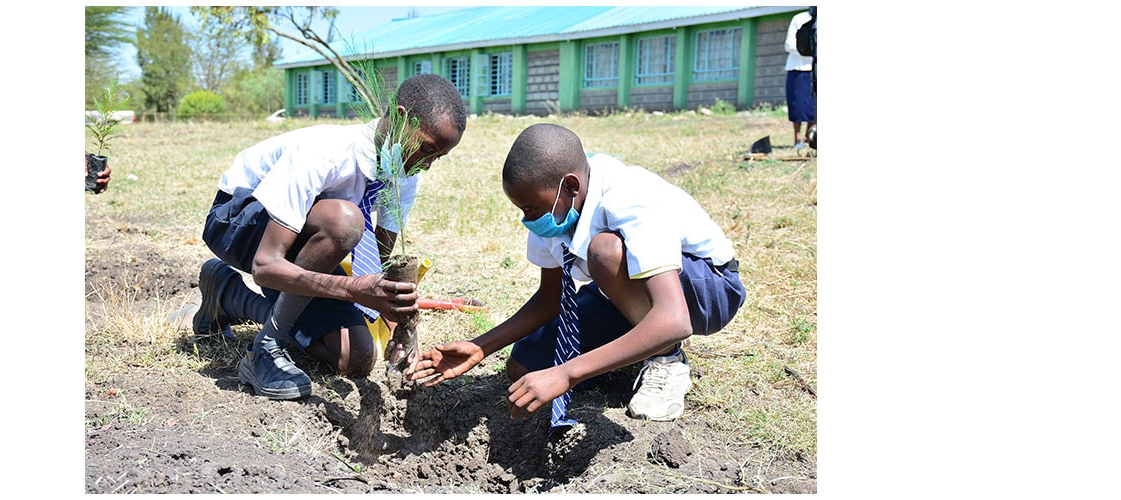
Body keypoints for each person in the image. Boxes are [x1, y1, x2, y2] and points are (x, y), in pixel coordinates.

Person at [405, 124, 745, 424]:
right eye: (522, 209)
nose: (529, 219)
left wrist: (566, 374)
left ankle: (665, 357)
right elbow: (550, 298)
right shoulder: (551, 202)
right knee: (524, 368)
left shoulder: (629, 198)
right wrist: (480, 348)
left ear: (570, 186)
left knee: (605, 252)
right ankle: (632, 348)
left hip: (703, 289)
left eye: (532, 209)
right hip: (624, 291)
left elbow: (675, 319)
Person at [195, 73, 468, 400]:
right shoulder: (325, 152)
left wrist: (401, 327)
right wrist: (355, 289)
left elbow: (383, 263)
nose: (426, 165)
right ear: (398, 117)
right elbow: (266, 266)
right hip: (239, 221)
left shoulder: (403, 169)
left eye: (437, 157)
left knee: (356, 356)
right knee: (345, 222)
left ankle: (226, 295)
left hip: (305, 243)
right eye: (426, 149)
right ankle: (265, 350)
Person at [785, 7, 816, 149]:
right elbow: (789, 44)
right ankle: (797, 139)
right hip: (799, 68)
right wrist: (810, 52)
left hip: (817, 70)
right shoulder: (799, 19)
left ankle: (809, 138)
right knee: (798, 105)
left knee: (814, 106)